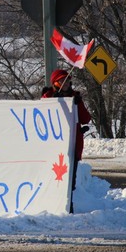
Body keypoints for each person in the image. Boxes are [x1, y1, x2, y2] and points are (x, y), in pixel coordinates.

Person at [42, 69, 91, 213]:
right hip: (54, 147)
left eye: (67, 80)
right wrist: (51, 101)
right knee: (54, 178)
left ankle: (68, 208)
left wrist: (79, 104)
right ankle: (52, 207)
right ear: (55, 83)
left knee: (70, 180)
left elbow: (85, 119)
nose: (65, 83)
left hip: (72, 146)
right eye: (61, 81)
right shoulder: (49, 96)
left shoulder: (74, 97)